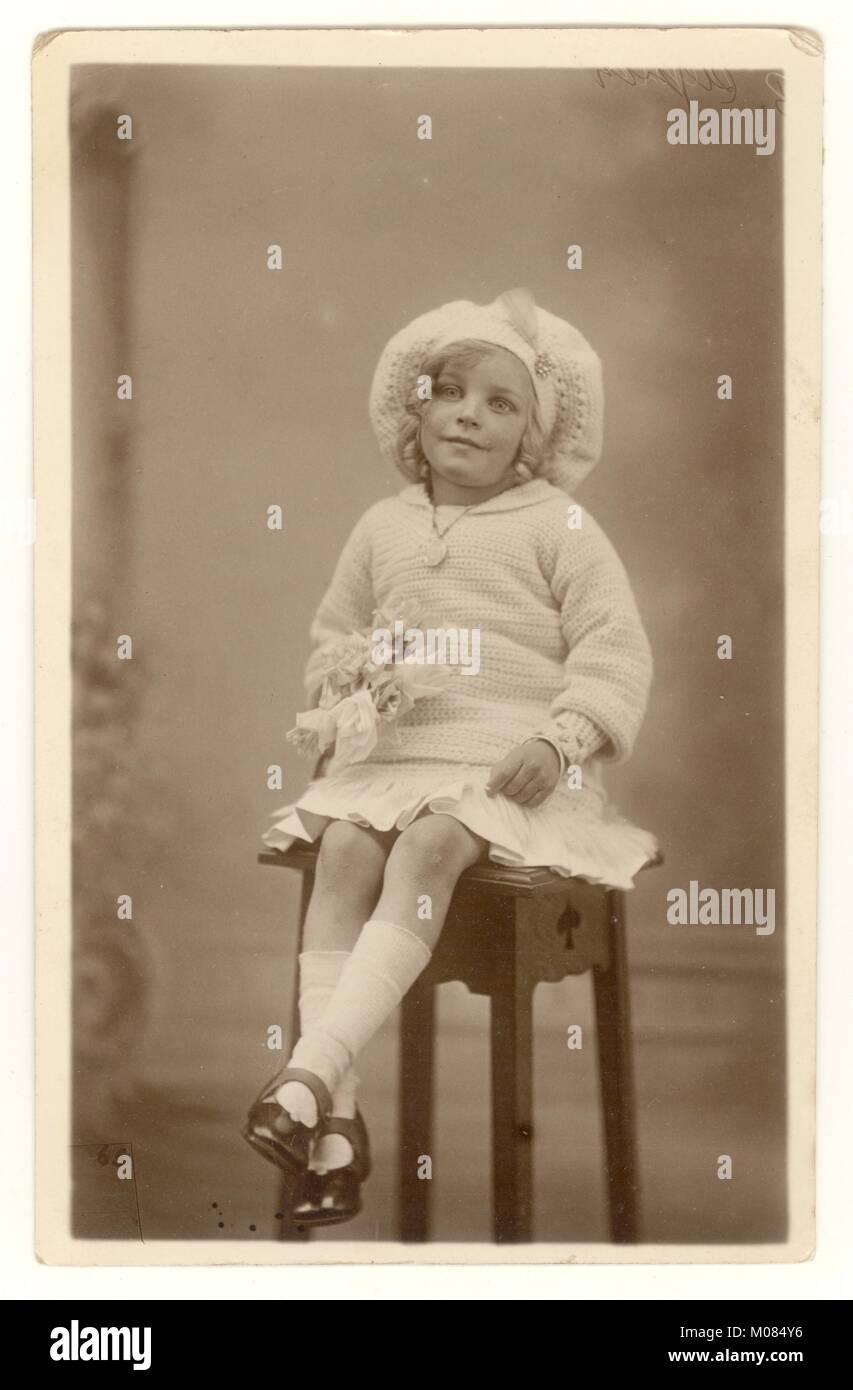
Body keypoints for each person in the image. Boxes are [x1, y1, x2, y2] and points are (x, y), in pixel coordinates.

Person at [242, 287, 658, 1226]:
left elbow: (613, 653)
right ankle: (335, 1121)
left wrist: (560, 742)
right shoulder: (381, 528)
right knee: (347, 847)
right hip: (397, 762)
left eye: (500, 403)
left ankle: (308, 1076)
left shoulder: (559, 528)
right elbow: (334, 635)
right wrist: (341, 692)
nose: (468, 412)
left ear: (532, 440)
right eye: (451, 390)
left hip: (505, 770)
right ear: (415, 408)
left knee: (432, 842)